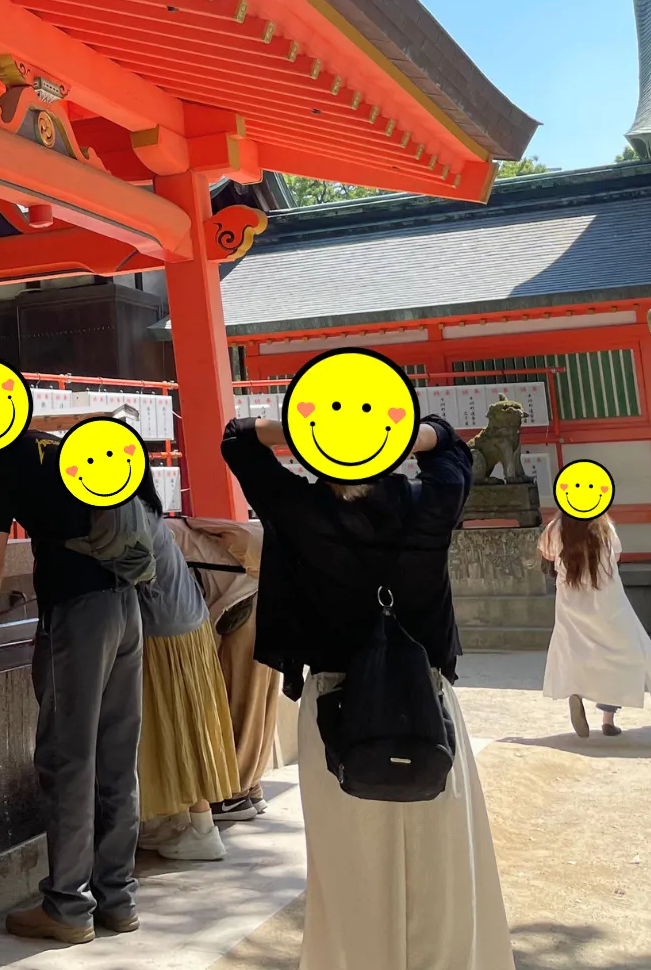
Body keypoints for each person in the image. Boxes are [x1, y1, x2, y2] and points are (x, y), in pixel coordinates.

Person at [221, 412, 516, 970]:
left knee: (349, 870)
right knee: (440, 866)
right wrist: (385, 428)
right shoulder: (432, 503)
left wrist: (315, 427)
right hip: (426, 704)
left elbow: (237, 438)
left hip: (336, 709)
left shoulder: (300, 510)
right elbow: (448, 443)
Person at [0, 417, 144, 945]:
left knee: (69, 758)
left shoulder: (3, 464)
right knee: (117, 757)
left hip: (78, 613)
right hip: (125, 604)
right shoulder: (58, 445)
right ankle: (117, 899)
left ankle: (68, 906)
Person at [129, 510, 243, 861]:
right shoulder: (147, 513)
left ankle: (202, 828)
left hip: (165, 633)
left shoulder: (124, 514)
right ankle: (178, 821)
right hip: (190, 625)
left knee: (179, 730)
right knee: (191, 726)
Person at [170, 515, 282, 821]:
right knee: (260, 698)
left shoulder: (164, 532)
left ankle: (231, 794)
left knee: (239, 699)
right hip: (262, 596)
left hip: (243, 602)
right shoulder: (264, 530)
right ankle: (251, 786)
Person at [538, 510, 651, 737]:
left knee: (573, 648)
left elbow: (546, 555)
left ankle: (575, 691)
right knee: (619, 655)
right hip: (608, 601)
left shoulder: (555, 528)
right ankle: (608, 719)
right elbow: (616, 557)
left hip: (570, 600)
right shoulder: (604, 528)